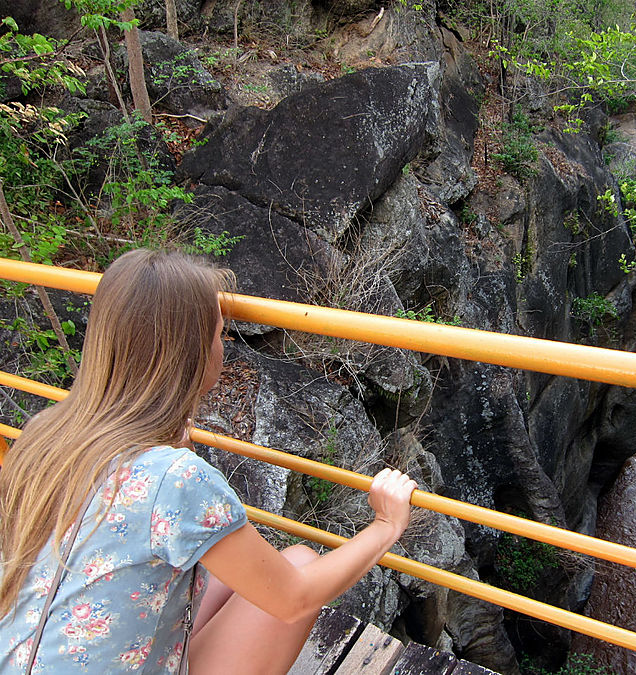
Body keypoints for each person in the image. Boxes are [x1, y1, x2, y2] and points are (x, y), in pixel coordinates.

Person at [0, 249, 418, 674]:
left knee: (237, 571)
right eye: (220, 334)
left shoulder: (44, 432)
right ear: (192, 353)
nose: (224, 346)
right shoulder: (175, 480)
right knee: (299, 568)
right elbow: (294, 598)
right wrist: (386, 526)